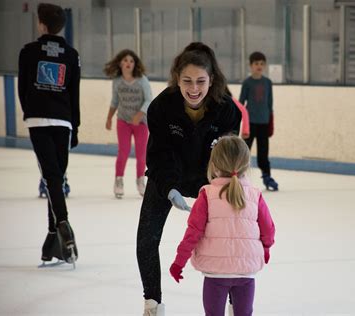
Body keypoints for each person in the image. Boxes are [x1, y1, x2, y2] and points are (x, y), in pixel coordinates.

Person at [137, 42, 241, 316]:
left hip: (212, 178)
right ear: (176, 79)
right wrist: (169, 188)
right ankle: (152, 304)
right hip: (168, 176)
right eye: (187, 81)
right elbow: (158, 155)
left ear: (211, 80)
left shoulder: (228, 111)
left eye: (200, 81)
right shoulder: (161, 108)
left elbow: (229, 157)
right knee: (147, 238)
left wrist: (221, 188)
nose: (193, 88)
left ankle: (234, 300)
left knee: (233, 238)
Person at [169, 135, 275, 316]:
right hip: (245, 273)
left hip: (215, 274)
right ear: (246, 165)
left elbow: (193, 233)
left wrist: (179, 262)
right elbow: (268, 230)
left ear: (214, 165)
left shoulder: (207, 195)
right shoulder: (255, 195)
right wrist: (265, 249)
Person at [18, 3, 80, 266]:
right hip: (63, 121)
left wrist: (30, 112)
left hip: (38, 120)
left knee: (52, 177)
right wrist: (75, 126)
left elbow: (22, 88)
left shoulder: (29, 51)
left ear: (41, 24)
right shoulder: (71, 53)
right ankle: (52, 239)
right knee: (56, 178)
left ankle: (62, 224)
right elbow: (74, 92)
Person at [104, 49, 153, 198]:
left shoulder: (142, 80)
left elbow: (149, 99)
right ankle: (118, 181)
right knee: (123, 152)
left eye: (131, 61)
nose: (128, 63)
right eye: (125, 60)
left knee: (141, 154)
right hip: (123, 121)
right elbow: (115, 101)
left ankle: (140, 181)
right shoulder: (117, 81)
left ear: (135, 64)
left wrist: (139, 114)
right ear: (120, 63)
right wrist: (109, 118)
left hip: (141, 123)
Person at [239, 51, 278, 191]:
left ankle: (267, 176)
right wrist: (241, 124)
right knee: (244, 151)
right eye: (256, 63)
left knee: (263, 152)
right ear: (250, 65)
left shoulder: (267, 82)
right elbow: (241, 104)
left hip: (263, 123)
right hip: (250, 124)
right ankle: (237, 176)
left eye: (262, 63)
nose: (259, 66)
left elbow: (270, 103)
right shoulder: (247, 83)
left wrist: (270, 122)